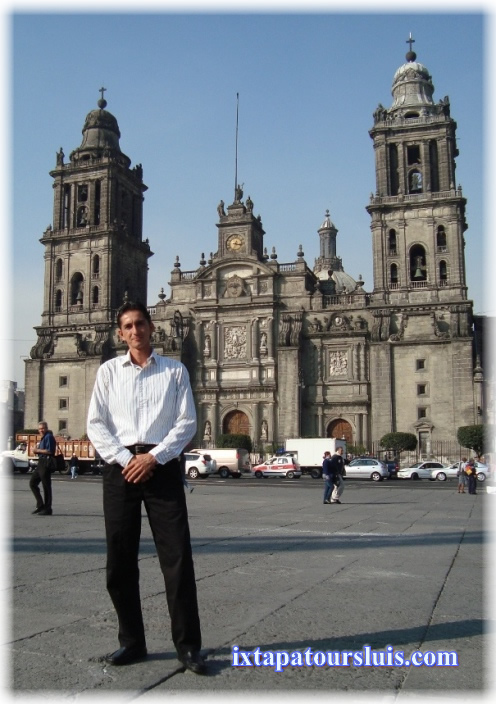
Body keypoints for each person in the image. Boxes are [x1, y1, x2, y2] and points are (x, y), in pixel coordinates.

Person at [87, 301, 206, 674]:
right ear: (120, 333)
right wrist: (127, 460)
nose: (135, 330)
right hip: (120, 469)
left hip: (163, 467)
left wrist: (153, 458)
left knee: (177, 558)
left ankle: (187, 647)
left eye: (140, 323)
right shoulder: (108, 372)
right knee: (119, 561)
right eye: (128, 326)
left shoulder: (175, 371)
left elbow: (187, 422)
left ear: (152, 327)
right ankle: (131, 642)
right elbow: (95, 423)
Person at [29, 421, 56, 516]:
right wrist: (37, 450)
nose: (41, 430)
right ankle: (40, 505)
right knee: (32, 483)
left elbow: (50, 451)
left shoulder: (49, 437)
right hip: (41, 463)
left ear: (47, 428)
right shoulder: (43, 438)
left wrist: (38, 450)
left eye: (43, 428)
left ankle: (48, 508)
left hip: (46, 463)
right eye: (40, 429)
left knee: (46, 486)